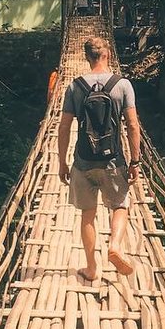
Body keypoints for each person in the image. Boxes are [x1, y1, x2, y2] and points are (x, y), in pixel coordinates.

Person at [58, 36, 142, 282]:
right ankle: (115, 245)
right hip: (113, 160)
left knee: (87, 213)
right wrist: (135, 161)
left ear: (87, 57)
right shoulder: (123, 85)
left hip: (83, 161)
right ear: (107, 55)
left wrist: (62, 162)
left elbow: (63, 127)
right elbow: (133, 125)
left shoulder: (75, 87)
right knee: (120, 205)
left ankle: (92, 268)